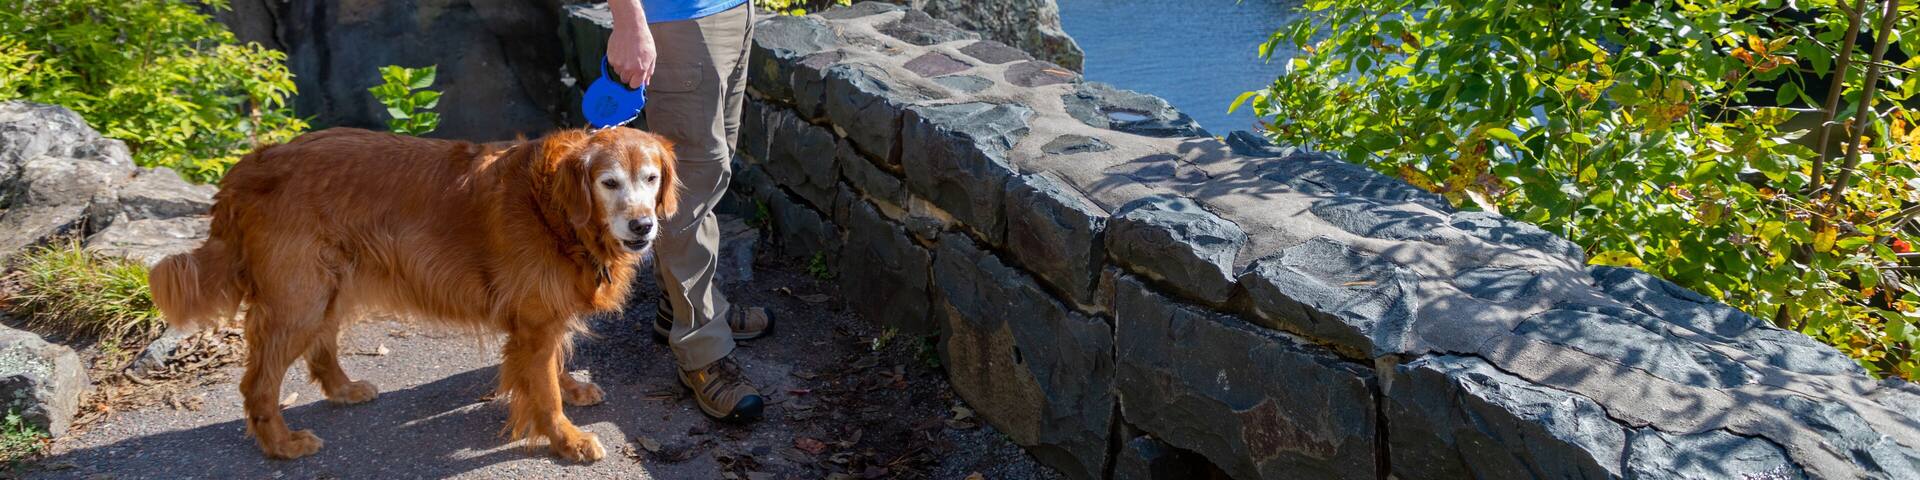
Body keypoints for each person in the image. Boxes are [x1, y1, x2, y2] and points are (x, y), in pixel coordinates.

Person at [606, 0, 770, 422]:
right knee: (687, 197)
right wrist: (628, 21)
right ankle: (702, 351)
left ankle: (681, 305)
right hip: (680, 22)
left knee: (710, 174)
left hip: (732, 11)